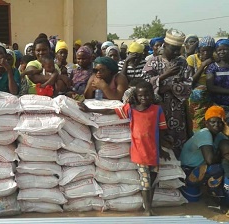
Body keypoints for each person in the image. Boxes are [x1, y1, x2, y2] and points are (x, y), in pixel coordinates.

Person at [79, 81, 171, 216]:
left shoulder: (157, 110)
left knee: (153, 180)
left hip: (154, 152)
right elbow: (111, 111)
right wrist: (90, 109)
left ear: (152, 95)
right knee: (145, 180)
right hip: (140, 153)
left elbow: (161, 131)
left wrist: (162, 149)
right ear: (136, 96)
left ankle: (148, 204)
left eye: (147, 95)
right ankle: (148, 210)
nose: (144, 98)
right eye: (140, 96)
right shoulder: (131, 109)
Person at [143, 28, 191, 157]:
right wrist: (166, 75)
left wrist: (167, 87)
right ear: (165, 45)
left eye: (178, 49)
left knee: (177, 141)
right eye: (173, 49)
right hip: (157, 109)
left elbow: (188, 86)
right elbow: (144, 85)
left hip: (177, 110)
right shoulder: (153, 62)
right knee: (158, 138)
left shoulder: (182, 63)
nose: (176, 52)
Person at [180, 106, 229, 203]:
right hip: (186, 171)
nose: (217, 125)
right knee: (219, 168)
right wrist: (222, 155)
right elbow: (210, 160)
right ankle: (215, 197)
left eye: (220, 122)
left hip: (199, 169)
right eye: (213, 122)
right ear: (206, 123)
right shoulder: (204, 134)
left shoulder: (219, 136)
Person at [187, 36, 216, 134]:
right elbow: (190, 81)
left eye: (209, 51)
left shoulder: (214, 60)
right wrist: (203, 65)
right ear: (199, 49)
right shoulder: (192, 59)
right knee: (196, 122)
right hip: (195, 96)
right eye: (203, 50)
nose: (206, 54)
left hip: (210, 95)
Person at [206, 39, 229, 119]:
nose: (222, 52)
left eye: (225, 49)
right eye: (219, 50)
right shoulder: (212, 67)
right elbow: (210, 87)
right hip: (218, 105)